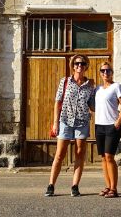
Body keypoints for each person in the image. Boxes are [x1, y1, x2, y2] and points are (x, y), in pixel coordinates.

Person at [45, 54, 95, 197]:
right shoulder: (65, 81)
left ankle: (75, 186)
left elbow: (92, 106)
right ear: (73, 66)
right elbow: (57, 102)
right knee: (60, 154)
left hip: (82, 122)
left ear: (86, 66)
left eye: (83, 63)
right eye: (77, 63)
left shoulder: (90, 85)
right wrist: (55, 123)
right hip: (65, 121)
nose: (80, 66)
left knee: (79, 154)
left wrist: (102, 94)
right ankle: (51, 185)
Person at [94, 61, 121, 198]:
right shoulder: (97, 89)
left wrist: (118, 122)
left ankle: (114, 188)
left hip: (112, 126)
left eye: (108, 70)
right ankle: (108, 186)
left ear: (112, 72)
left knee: (109, 157)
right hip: (99, 126)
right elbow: (94, 107)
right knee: (103, 158)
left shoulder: (117, 86)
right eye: (103, 71)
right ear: (100, 73)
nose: (105, 73)